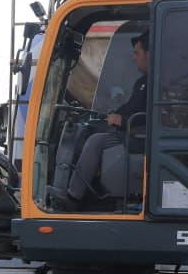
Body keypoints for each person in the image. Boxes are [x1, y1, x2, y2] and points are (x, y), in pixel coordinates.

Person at [51, 32, 149, 211]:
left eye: (137, 53)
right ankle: (91, 189)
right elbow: (130, 106)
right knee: (91, 129)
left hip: (140, 137)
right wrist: (113, 114)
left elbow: (152, 115)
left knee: (95, 141)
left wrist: (122, 120)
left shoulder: (154, 84)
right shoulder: (143, 82)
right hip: (132, 131)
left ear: (149, 54)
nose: (134, 58)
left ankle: (73, 197)